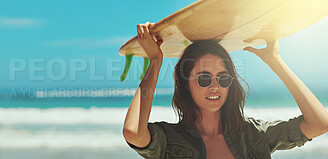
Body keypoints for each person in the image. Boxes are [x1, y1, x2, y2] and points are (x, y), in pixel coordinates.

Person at [122, 22, 328, 159]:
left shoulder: (254, 134)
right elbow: (133, 132)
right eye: (204, 78)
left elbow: (319, 123)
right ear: (185, 83)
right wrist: (155, 61)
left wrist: (275, 61)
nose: (215, 85)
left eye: (223, 77)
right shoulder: (170, 139)